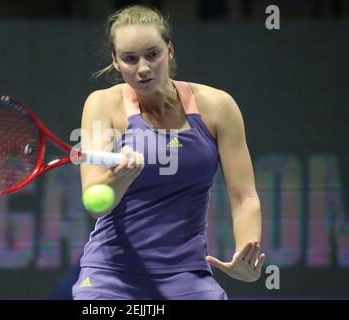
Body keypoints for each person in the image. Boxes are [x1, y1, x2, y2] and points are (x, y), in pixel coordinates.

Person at [72, 4, 265, 300]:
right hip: (111, 275)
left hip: (188, 275)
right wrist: (121, 176)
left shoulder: (218, 106)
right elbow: (96, 203)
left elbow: (244, 195)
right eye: (130, 59)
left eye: (153, 54)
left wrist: (246, 252)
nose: (144, 68)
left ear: (170, 51)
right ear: (115, 62)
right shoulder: (101, 105)